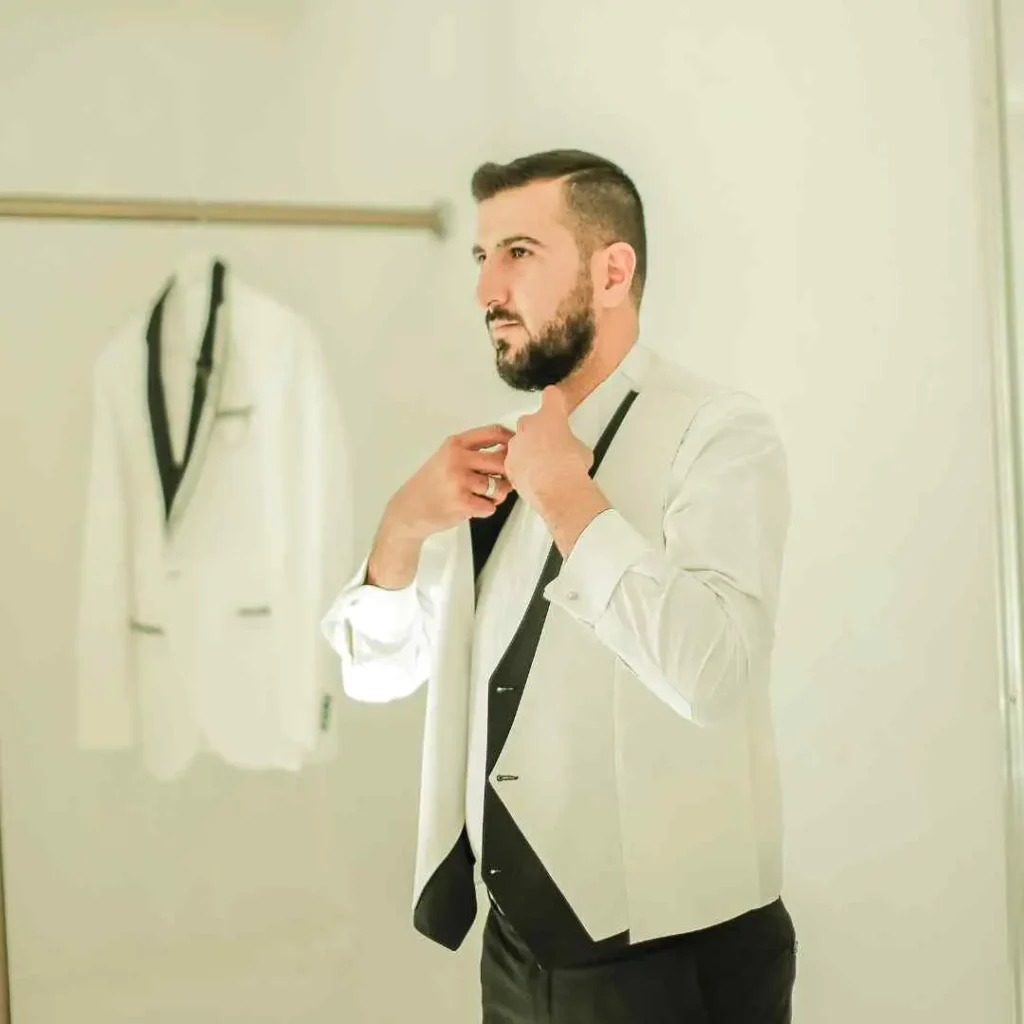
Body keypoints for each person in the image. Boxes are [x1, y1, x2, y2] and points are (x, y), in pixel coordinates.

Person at [321, 149, 796, 1023]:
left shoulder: (721, 434)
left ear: (612, 271)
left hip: (669, 958)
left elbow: (716, 673)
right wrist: (401, 525)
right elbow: (374, 674)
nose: (485, 290)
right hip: (513, 956)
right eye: (480, 257)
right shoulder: (486, 456)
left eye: (519, 253)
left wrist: (573, 504)